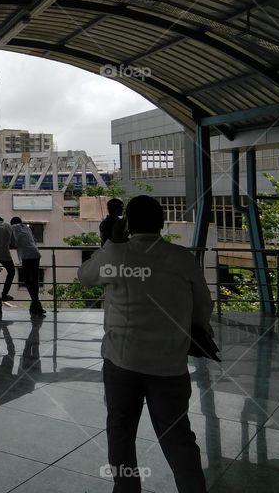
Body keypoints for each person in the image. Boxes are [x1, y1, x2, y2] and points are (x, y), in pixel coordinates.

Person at [78, 195, 213, 493]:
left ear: (128, 224)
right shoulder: (182, 258)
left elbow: (84, 277)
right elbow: (204, 304)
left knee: (121, 432)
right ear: (162, 222)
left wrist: (111, 244)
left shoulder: (116, 254)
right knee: (178, 437)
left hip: (121, 360)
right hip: (170, 365)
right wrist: (196, 331)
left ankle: (127, 489)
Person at [10, 217, 44, 317]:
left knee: (27, 280)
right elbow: (34, 240)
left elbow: (12, 243)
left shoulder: (13, 228)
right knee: (34, 281)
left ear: (12, 223)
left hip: (26, 256)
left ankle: (36, 305)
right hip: (35, 254)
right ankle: (36, 307)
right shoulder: (27, 228)